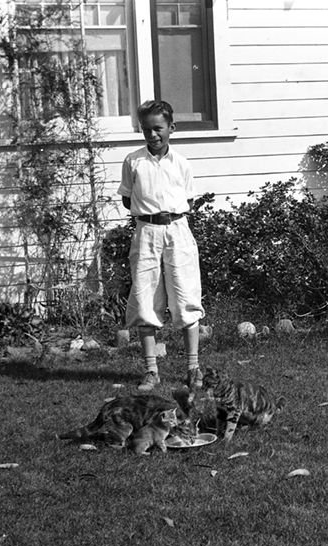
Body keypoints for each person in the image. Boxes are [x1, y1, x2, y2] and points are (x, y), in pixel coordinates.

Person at [118, 100, 205, 393]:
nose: (152, 135)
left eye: (158, 128)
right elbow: (128, 199)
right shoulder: (134, 161)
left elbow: (188, 200)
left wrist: (169, 216)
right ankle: (151, 370)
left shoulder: (182, 164)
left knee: (185, 296)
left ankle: (193, 369)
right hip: (146, 233)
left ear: (171, 128)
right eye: (146, 130)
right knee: (146, 298)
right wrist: (151, 215)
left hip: (177, 232)